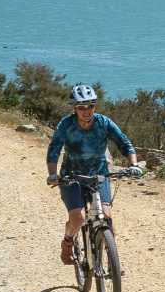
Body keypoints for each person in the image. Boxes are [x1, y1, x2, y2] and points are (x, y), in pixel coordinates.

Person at [46, 85, 143, 264]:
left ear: (95, 106)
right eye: (81, 107)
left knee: (106, 215)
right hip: (72, 176)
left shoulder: (103, 123)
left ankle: (112, 261)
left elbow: (124, 143)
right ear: (74, 108)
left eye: (90, 106)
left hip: (99, 175)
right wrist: (53, 174)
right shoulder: (66, 124)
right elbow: (54, 150)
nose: (86, 111)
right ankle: (68, 241)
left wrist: (134, 164)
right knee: (78, 217)